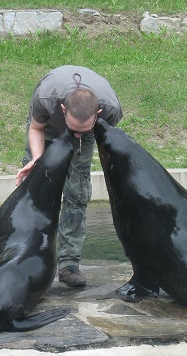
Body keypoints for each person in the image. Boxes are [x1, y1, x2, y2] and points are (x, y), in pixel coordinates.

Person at [15, 65, 123, 287]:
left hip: (87, 131)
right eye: (73, 129)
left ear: (98, 114)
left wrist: (84, 138)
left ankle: (69, 264)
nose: (75, 136)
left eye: (81, 130)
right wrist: (37, 160)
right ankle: (25, 256)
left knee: (78, 193)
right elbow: (36, 128)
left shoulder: (110, 107)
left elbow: (108, 140)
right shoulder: (46, 97)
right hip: (48, 127)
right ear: (63, 109)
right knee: (34, 190)